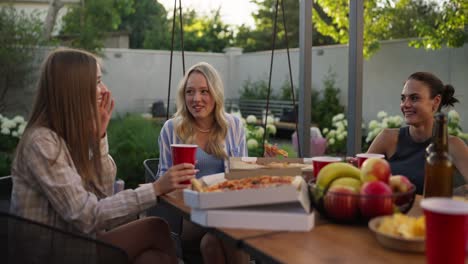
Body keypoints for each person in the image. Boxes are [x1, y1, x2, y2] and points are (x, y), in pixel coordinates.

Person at [10, 48, 195, 264]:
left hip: (79, 241)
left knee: (152, 258)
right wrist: (155, 189)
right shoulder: (42, 143)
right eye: (97, 81)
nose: (104, 90)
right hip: (57, 253)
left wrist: (99, 138)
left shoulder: (65, 138)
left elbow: (103, 191)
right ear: (75, 88)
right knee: (155, 227)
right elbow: (88, 215)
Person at [157, 62, 249, 264]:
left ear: (215, 94)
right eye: (190, 92)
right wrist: (181, 183)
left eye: (204, 91)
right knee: (231, 238)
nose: (196, 99)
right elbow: (161, 181)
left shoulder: (233, 126)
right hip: (191, 214)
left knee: (211, 244)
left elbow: (241, 177)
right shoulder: (172, 129)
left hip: (227, 211)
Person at [367, 72, 468, 194]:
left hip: (427, 213)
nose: (405, 104)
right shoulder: (387, 139)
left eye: (414, 98)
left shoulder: (452, 145)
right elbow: (361, 178)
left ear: (436, 101)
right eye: (403, 98)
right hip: (390, 212)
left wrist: (454, 193)